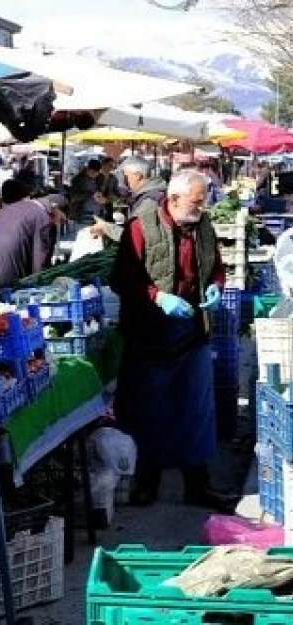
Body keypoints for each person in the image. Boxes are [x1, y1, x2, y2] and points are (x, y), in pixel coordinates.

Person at [109, 171, 230, 510]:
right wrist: (157, 297)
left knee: (197, 410)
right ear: (174, 200)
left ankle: (198, 485)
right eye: (196, 201)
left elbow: (217, 267)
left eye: (203, 201)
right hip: (150, 334)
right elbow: (122, 278)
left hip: (192, 331)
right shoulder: (140, 226)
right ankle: (147, 483)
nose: (201, 207)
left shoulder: (203, 226)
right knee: (150, 410)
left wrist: (215, 287)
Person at [91, 156, 166, 243]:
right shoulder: (148, 195)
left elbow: (134, 236)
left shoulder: (149, 201)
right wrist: (107, 200)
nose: (124, 181)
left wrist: (105, 227)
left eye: (125, 176)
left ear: (138, 176)